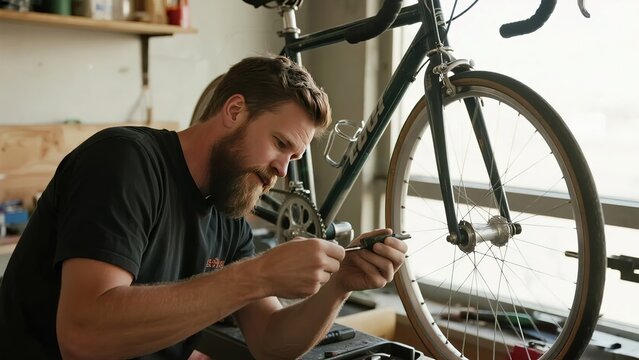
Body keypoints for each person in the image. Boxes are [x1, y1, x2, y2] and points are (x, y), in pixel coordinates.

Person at [0, 55, 407, 359]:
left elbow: (269, 342)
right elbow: (82, 336)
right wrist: (257, 275)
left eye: (294, 156)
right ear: (234, 111)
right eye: (281, 144)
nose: (283, 170)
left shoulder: (228, 215)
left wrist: (339, 286)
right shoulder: (124, 162)